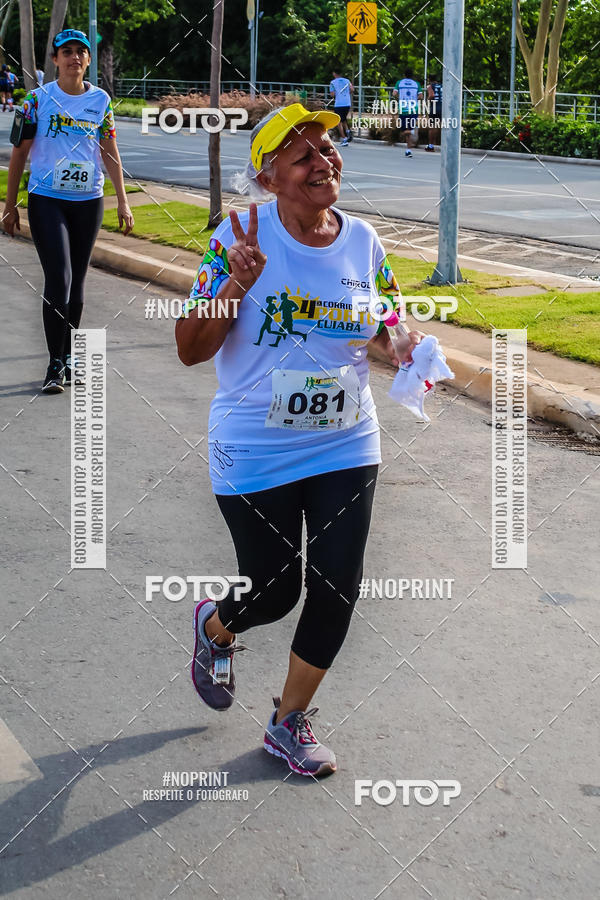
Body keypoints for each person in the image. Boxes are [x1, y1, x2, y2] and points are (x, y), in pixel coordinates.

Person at [176, 103, 424, 778]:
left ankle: (288, 721)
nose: (325, 162)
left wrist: (400, 343)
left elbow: (387, 319)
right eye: (304, 155)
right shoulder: (237, 233)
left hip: (346, 438)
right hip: (256, 443)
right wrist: (235, 283)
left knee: (338, 583)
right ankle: (217, 626)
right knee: (277, 590)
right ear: (269, 177)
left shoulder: (363, 241)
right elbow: (189, 349)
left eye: (328, 150)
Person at [2, 29, 134, 393]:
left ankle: (71, 355)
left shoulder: (101, 100)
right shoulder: (35, 101)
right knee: (58, 279)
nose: (74, 57)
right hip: (47, 200)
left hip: (88, 202)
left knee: (77, 283)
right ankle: (54, 363)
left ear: (88, 60)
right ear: (55, 59)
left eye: (81, 52)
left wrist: (122, 200)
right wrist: (10, 205)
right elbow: (19, 153)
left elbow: (109, 151)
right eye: (67, 52)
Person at [393, 67, 421, 157]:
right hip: (414, 109)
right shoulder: (417, 84)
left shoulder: (399, 83)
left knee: (404, 131)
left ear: (404, 75)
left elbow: (394, 94)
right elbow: (421, 96)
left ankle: (409, 148)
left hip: (403, 109)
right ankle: (408, 149)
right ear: (412, 75)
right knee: (408, 130)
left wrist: (399, 99)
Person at [329, 70, 354, 146]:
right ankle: (348, 132)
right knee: (343, 119)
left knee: (338, 122)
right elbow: (352, 89)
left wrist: (336, 94)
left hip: (339, 104)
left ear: (334, 73)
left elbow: (332, 94)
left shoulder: (332, 83)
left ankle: (344, 139)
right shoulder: (347, 81)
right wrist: (346, 94)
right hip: (347, 103)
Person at [425, 73, 442, 151]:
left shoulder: (429, 86)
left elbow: (432, 95)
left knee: (432, 127)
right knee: (442, 126)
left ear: (429, 79)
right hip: (442, 107)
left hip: (434, 107)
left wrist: (427, 101)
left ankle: (431, 146)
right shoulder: (441, 85)